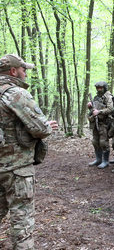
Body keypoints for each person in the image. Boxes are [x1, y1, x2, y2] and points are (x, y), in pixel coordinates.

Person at [0, 54, 58, 249]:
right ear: (14, 71)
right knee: (22, 222)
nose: (26, 74)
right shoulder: (16, 93)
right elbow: (40, 129)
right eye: (24, 70)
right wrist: (48, 126)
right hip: (16, 169)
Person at [87, 81, 114, 169]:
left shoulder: (108, 97)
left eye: (101, 88)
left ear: (104, 88)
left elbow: (110, 109)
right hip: (95, 122)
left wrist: (100, 112)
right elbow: (94, 109)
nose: (99, 89)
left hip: (104, 122)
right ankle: (98, 159)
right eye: (98, 88)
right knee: (95, 141)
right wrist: (90, 107)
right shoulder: (96, 97)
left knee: (103, 142)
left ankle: (105, 161)